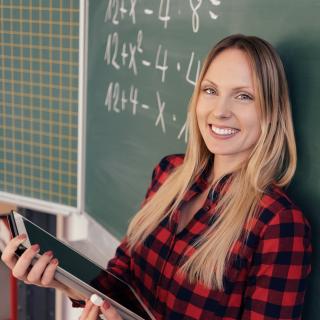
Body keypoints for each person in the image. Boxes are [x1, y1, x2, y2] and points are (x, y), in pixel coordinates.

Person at [1, 34, 312, 319]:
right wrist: (61, 280)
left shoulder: (277, 223)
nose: (220, 111)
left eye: (244, 96)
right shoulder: (170, 173)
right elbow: (123, 280)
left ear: (270, 111)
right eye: (210, 90)